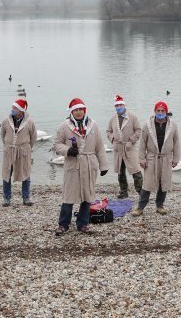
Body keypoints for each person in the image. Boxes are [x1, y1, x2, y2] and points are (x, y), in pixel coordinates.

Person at [52, 98, 109, 235]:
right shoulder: (64, 126)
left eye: (81, 109)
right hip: (73, 165)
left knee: (87, 196)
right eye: (76, 110)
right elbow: (56, 145)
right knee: (69, 196)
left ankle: (83, 224)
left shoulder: (93, 125)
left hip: (90, 164)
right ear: (71, 111)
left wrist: (103, 165)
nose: (78, 112)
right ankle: (63, 224)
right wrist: (67, 150)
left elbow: (100, 147)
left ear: (85, 110)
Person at [132, 101, 179, 216]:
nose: (160, 113)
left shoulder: (173, 125)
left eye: (163, 111)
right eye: (158, 110)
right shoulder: (147, 125)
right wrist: (141, 159)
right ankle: (140, 207)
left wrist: (176, 158)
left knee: (164, 182)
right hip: (151, 158)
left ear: (166, 112)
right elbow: (142, 143)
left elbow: (176, 142)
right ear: (155, 111)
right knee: (147, 184)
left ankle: (160, 205)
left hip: (166, 158)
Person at [0, 98, 37, 206]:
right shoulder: (6, 121)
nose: (13, 109)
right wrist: (8, 145)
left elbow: (33, 137)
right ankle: (6, 198)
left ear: (21, 110)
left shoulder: (29, 122)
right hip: (9, 151)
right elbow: (2, 135)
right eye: (13, 107)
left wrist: (27, 148)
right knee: (7, 174)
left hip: (23, 151)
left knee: (26, 174)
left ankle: (26, 197)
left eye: (15, 108)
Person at [105, 95, 143, 199]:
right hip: (118, 148)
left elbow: (138, 130)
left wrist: (132, 140)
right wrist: (112, 138)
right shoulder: (112, 119)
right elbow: (108, 131)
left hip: (130, 148)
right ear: (115, 107)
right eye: (117, 105)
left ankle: (141, 192)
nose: (119, 107)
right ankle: (123, 192)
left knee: (136, 171)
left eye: (120, 105)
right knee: (120, 172)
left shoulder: (132, 117)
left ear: (124, 105)